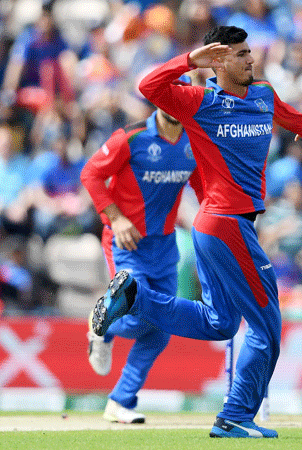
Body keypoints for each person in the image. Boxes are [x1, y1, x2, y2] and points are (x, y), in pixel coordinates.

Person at [88, 25, 302, 438]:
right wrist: (190, 60)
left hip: (221, 226)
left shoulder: (263, 94)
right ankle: (235, 416)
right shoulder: (199, 102)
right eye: (240, 54)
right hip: (226, 223)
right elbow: (148, 84)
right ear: (218, 61)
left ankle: (134, 297)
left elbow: (291, 115)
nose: (250, 59)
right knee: (267, 325)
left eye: (251, 52)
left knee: (221, 324)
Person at [80, 76, 201, 423]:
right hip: (125, 242)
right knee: (135, 316)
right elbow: (90, 174)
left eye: (183, 95)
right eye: (170, 95)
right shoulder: (131, 137)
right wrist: (115, 218)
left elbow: (202, 185)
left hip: (164, 245)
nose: (175, 102)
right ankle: (100, 325)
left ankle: (121, 400)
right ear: (158, 99)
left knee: (160, 328)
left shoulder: (194, 139)